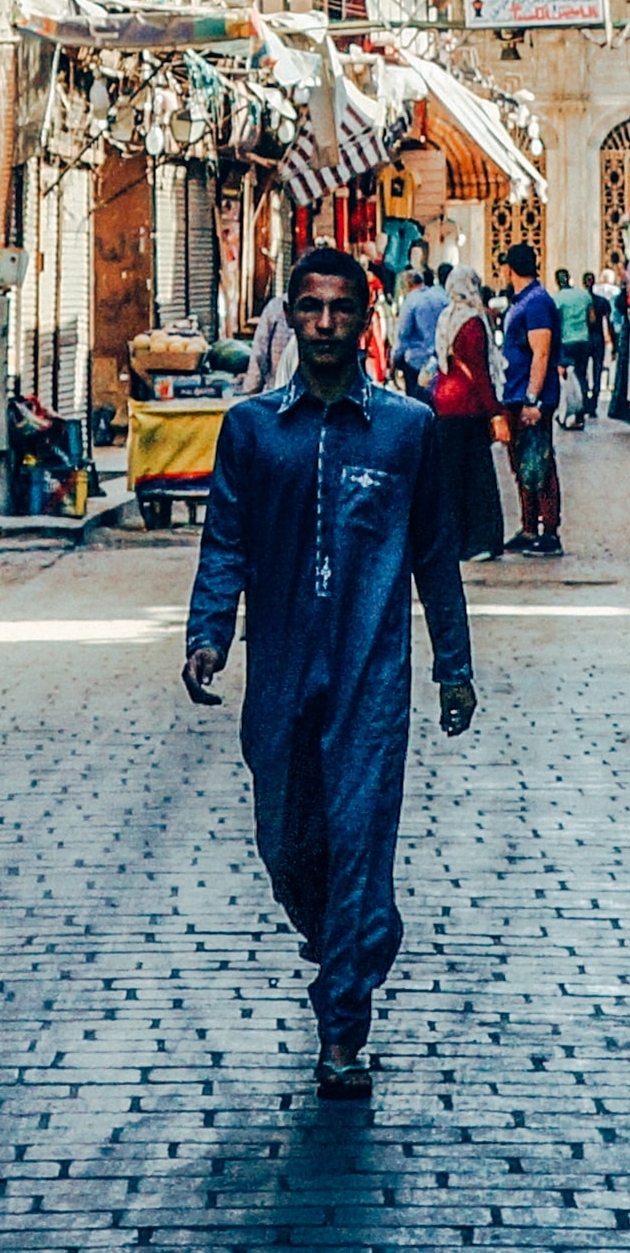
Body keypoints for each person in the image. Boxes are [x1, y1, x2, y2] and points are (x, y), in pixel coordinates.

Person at [182, 249, 480, 1101]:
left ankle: (342, 1025)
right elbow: (225, 543)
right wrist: (208, 635)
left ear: (364, 319)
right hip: (278, 672)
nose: (323, 325)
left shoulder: (405, 429)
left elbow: (434, 557)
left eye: (339, 309)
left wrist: (452, 668)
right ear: (288, 315)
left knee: (357, 843)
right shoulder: (249, 431)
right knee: (285, 844)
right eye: (308, 308)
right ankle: (352, 933)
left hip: (370, 680)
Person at [425, 271, 510, 561]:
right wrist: (494, 410)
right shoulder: (473, 322)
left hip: (444, 403)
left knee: (450, 476)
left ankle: (454, 539)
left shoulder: (446, 317)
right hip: (468, 404)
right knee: (477, 475)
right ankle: (481, 539)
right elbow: (480, 371)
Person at [494, 244, 564, 555]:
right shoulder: (525, 301)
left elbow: (542, 352)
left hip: (529, 396)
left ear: (509, 269)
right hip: (517, 392)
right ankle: (528, 526)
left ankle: (548, 531)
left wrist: (533, 399)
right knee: (523, 464)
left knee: (540, 463)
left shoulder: (535, 303)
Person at [558, 272, 610, 427]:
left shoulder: (557, 298)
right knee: (584, 374)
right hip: (585, 339)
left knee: (570, 376)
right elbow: (592, 319)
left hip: (567, 340)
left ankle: (571, 409)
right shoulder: (585, 297)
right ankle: (586, 407)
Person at [391, 269, 449, 398]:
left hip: (417, 361)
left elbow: (402, 335)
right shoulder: (441, 296)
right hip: (441, 359)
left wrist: (393, 360)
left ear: (407, 284)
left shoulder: (411, 302)